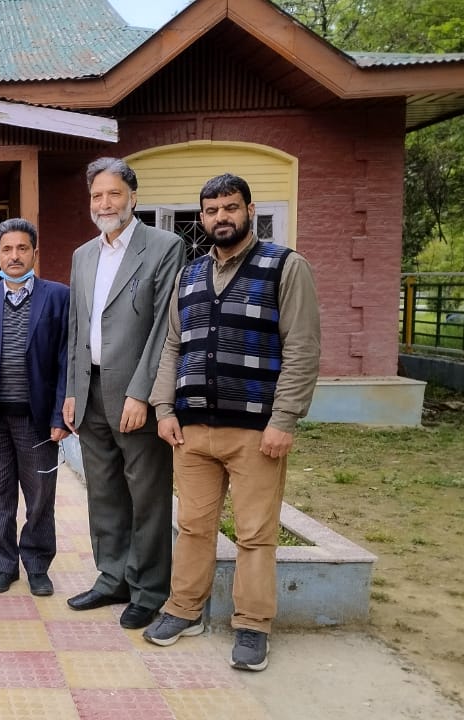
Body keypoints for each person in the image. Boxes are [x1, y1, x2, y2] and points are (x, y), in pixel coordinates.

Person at [143, 173, 321, 672]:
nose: (221, 217)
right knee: (193, 526)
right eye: (212, 210)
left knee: (254, 533)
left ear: (249, 209)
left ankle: (252, 626)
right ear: (201, 218)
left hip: (257, 431)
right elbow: (173, 346)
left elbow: (303, 347)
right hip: (193, 427)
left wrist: (285, 418)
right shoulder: (191, 274)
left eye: (230, 207)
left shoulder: (285, 266)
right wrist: (163, 408)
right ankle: (184, 609)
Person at [63, 157, 183, 630]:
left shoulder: (163, 246)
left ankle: (149, 589)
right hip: (89, 392)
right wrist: (73, 391)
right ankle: (111, 576)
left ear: (133, 196)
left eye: (114, 194)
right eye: (97, 195)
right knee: (105, 492)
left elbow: (163, 329)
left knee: (147, 494)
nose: (105, 203)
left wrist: (143, 394)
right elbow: (77, 328)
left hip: (135, 396)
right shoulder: (83, 255)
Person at [0, 218, 70, 597]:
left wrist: (60, 415)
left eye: (23, 248)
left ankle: (37, 565)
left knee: (41, 496)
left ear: (35, 253)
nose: (15, 255)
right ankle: (5, 564)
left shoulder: (58, 296)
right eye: (7, 249)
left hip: (37, 419)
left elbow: (65, 359)